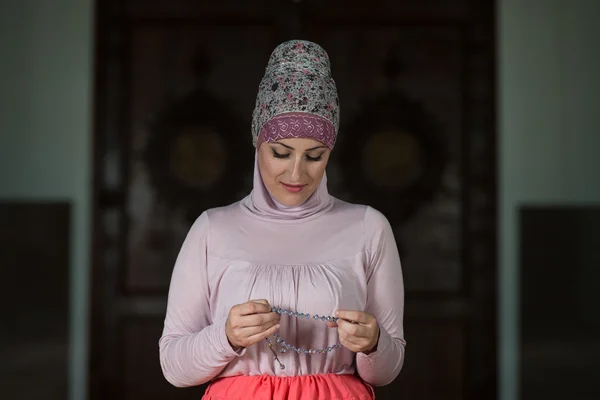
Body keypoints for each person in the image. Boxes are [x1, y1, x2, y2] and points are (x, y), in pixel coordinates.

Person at [159, 40, 406, 400]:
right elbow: (173, 366)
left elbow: (387, 369)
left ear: (330, 154)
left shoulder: (369, 227)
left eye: (314, 156)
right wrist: (225, 337)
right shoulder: (212, 229)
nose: (296, 173)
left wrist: (374, 345)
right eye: (280, 152)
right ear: (258, 143)